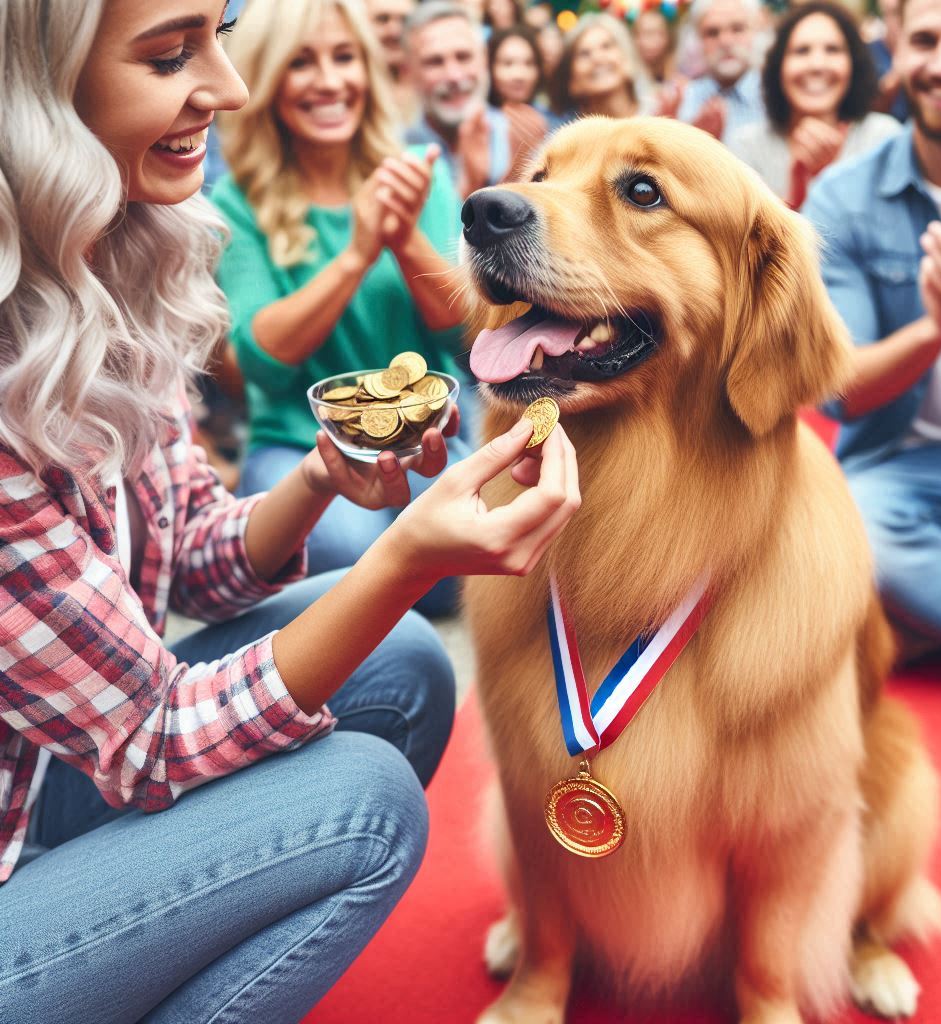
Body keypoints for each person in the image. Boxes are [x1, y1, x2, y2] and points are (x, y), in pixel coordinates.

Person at [0, 2, 581, 1022]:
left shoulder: (115, 262)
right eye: (173, 55)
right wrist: (401, 554)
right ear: (35, 93)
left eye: (221, 36)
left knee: (399, 660)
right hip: (59, 797)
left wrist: (321, 475)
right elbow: (156, 736)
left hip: (41, 767)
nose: (226, 87)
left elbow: (189, 557)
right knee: (364, 803)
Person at [212, 0, 478, 612]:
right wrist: (356, 253)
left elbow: (462, 328)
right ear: (269, 78)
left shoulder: (419, 174)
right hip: (300, 447)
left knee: (459, 576)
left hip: (420, 438)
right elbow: (260, 359)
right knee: (345, 561)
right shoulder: (238, 202)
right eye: (302, 62)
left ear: (368, 68)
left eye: (344, 57)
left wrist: (404, 234)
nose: (329, 81)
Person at [802, 0, 941, 668]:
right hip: (894, 479)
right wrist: (936, 328)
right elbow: (841, 389)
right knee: (860, 538)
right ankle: (931, 604)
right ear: (894, 44)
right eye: (925, 39)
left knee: (848, 579)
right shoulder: (842, 198)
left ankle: (929, 612)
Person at [731, 1, 901, 209]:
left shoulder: (883, 139)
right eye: (801, 51)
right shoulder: (747, 148)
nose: (817, 64)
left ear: (854, 64)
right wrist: (798, 190)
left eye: (833, 50)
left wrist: (831, 182)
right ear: (778, 67)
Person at [404, 0, 547, 195]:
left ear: (484, 59)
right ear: (411, 72)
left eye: (463, 57)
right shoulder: (393, 147)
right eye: (435, 62)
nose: (454, 76)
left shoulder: (520, 135)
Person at [675, 0, 765, 149]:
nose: (725, 41)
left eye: (737, 29)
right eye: (712, 33)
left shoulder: (778, 95)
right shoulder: (684, 101)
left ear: (755, 33)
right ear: (698, 41)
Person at [548, 13, 645, 121]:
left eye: (606, 46)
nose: (597, 59)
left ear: (627, 55)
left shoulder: (663, 113)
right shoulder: (562, 134)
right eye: (584, 53)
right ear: (571, 79)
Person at [366, 0, 420, 125]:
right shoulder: (352, 90)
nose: (395, 31)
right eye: (382, 19)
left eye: (405, 21)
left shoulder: (431, 83)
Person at [488, 24, 552, 122]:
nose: (519, 75)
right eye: (508, 63)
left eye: (529, 63)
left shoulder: (553, 123)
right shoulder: (476, 122)